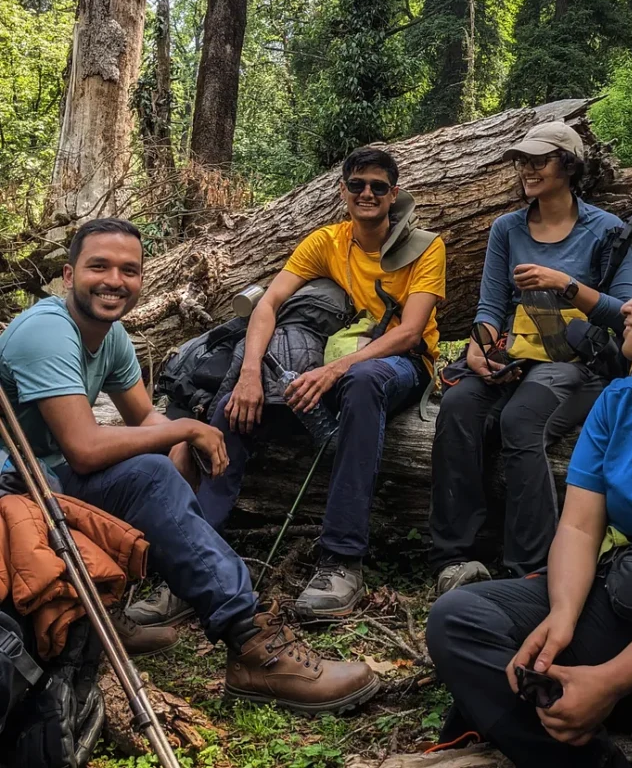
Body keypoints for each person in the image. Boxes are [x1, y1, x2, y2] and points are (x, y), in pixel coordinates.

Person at [0, 218, 378, 714]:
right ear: (68, 276)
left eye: (129, 270)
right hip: (15, 486)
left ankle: (104, 613)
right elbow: (85, 449)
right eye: (99, 266)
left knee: (158, 468)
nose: (115, 280)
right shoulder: (47, 331)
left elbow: (144, 417)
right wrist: (181, 432)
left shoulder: (109, 335)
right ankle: (249, 642)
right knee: (148, 475)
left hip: (46, 480)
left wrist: (177, 444)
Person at [427, 235, 632, 768]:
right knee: (459, 618)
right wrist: (561, 617)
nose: (624, 307)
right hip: (629, 596)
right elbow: (581, 529)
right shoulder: (620, 401)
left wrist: (610, 679)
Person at [177, 146, 445, 623]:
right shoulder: (327, 241)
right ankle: (191, 563)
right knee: (235, 405)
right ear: (343, 190)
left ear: (393, 194)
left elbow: (409, 331)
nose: (367, 193)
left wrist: (332, 371)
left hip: (401, 363)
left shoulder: (426, 246)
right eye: (358, 184)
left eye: (378, 187)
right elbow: (267, 304)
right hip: (336, 358)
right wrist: (251, 373)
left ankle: (342, 559)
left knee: (362, 382)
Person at [430, 121, 632, 593]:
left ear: (568, 165)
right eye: (522, 161)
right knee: (459, 407)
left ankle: (530, 569)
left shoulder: (607, 231)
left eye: (538, 160)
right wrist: (479, 349)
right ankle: (454, 557)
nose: (527, 169)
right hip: (515, 354)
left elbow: (624, 313)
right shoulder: (507, 228)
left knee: (521, 420)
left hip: (578, 364)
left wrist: (564, 284)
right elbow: (490, 305)